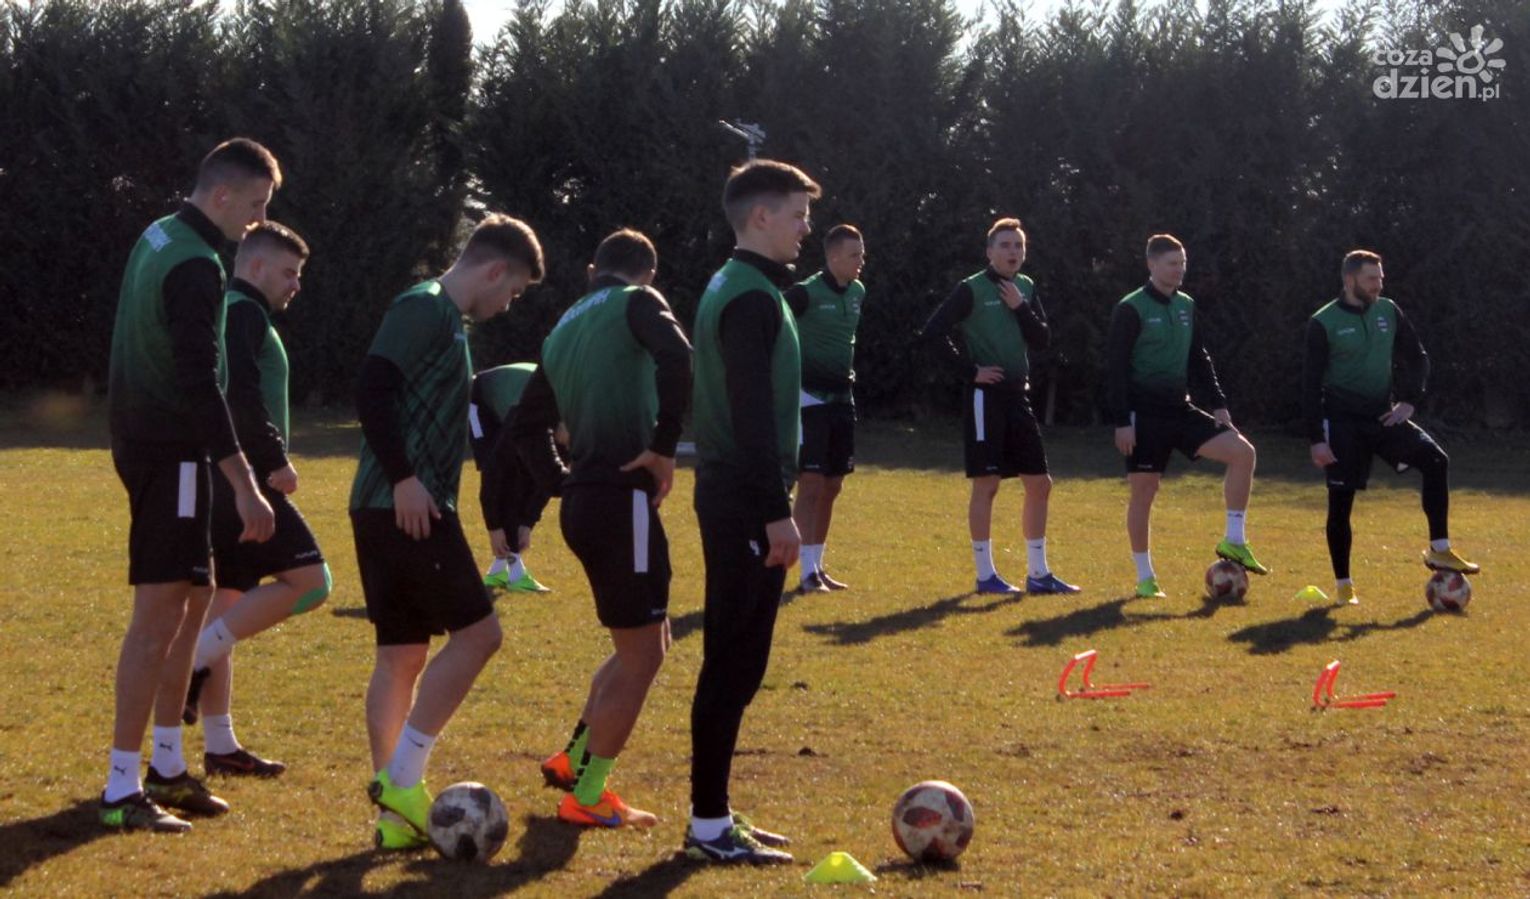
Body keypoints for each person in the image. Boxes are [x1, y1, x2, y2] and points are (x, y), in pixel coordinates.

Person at [102, 137, 279, 832]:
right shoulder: (197, 264)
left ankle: (169, 767)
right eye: (256, 205)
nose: (259, 221)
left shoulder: (161, 233)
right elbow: (199, 383)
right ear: (223, 194)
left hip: (156, 447)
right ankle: (121, 788)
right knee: (159, 616)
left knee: (197, 598)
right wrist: (244, 481)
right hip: (170, 452)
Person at [352, 214, 543, 850]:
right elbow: (372, 388)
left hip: (390, 505)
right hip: (406, 505)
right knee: (480, 635)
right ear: (495, 270)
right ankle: (401, 779)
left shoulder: (447, 321)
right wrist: (405, 479)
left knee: (402, 654)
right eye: (513, 290)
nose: (508, 302)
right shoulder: (424, 306)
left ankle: (395, 817)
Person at [511, 228, 692, 830]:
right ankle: (587, 795)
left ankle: (573, 759)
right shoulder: (638, 302)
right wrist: (664, 445)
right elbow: (679, 357)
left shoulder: (563, 327)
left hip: (586, 501)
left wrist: (563, 481)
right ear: (649, 274)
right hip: (621, 499)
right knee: (643, 657)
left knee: (647, 641)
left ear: (593, 270)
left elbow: (524, 425)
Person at [684, 159, 819, 864]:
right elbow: (751, 414)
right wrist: (775, 510)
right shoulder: (749, 297)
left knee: (738, 660)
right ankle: (708, 825)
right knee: (732, 659)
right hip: (742, 496)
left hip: (735, 491)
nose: (806, 229)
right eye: (798, 214)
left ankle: (715, 815)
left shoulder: (744, 285)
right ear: (761, 216)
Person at [179, 222, 330, 781]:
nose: (296, 285)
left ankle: (221, 746)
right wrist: (272, 461)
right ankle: (191, 662)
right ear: (257, 265)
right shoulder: (244, 310)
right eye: (289, 272)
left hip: (227, 477)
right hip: (244, 481)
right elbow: (238, 394)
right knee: (312, 583)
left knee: (226, 609)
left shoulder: (235, 309)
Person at [1303, 249, 1478, 605]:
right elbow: (1308, 385)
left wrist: (1410, 400)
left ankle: (1439, 549)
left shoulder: (1388, 310)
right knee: (1341, 504)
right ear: (1350, 279)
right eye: (1371, 278)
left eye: (1380, 278)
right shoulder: (1323, 322)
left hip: (1383, 418)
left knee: (1435, 460)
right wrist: (1317, 439)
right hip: (1342, 423)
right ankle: (1344, 587)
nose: (1379, 284)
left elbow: (1418, 358)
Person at [919, 218, 1079, 595]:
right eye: (1005, 245)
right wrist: (971, 371)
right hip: (984, 398)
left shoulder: (1026, 287)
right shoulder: (971, 288)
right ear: (989, 251)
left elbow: (1042, 339)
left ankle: (1038, 574)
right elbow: (931, 334)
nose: (1013, 252)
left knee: (1039, 484)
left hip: (1017, 397)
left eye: (1018, 245)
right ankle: (985, 575)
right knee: (987, 484)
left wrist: (1021, 307)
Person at [1105, 233, 1266, 599]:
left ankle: (1234, 540)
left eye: (1182, 264)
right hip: (1143, 416)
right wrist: (1122, 421)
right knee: (1144, 491)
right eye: (1171, 264)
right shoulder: (1131, 308)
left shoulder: (1186, 305)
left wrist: (1219, 403)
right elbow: (1115, 369)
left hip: (1180, 409)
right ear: (1151, 264)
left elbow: (1198, 357)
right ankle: (1145, 578)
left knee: (1243, 453)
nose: (1179, 270)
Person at [785, 224, 866, 593]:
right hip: (810, 399)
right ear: (833, 257)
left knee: (833, 485)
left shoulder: (858, 291)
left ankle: (816, 566)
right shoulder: (804, 293)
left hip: (842, 399)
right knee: (811, 483)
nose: (861, 261)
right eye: (854, 255)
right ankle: (804, 572)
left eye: (862, 254)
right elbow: (773, 326)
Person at [470, 362, 553, 593]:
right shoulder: (529, 415)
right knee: (504, 470)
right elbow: (493, 473)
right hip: (477, 401)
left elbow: (547, 478)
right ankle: (515, 571)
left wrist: (528, 522)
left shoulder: (562, 421)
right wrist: (494, 527)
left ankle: (499, 570)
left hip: (514, 403)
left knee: (527, 472)